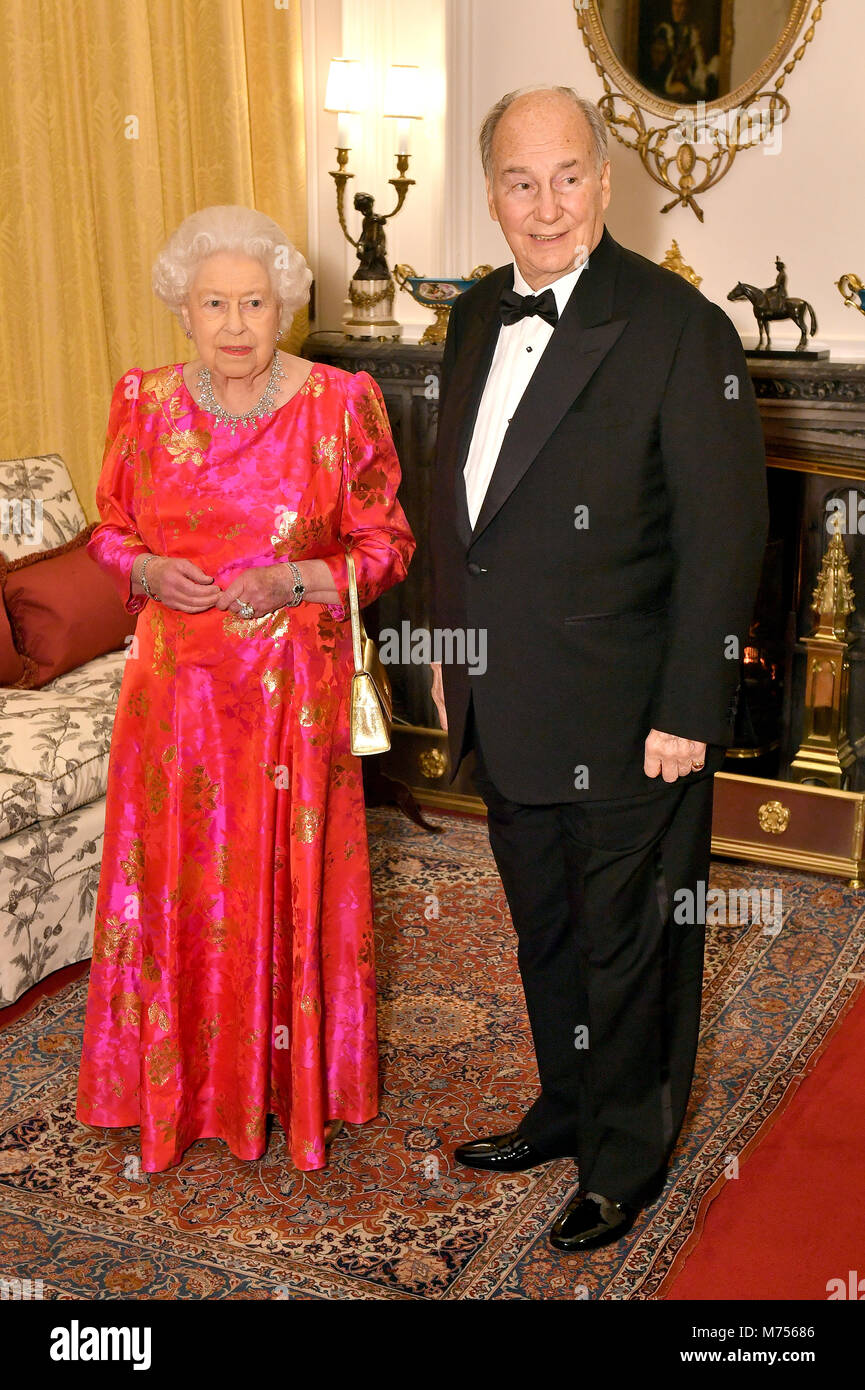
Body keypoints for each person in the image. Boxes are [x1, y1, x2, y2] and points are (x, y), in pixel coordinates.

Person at [429, 87, 768, 1252]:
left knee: (631, 944)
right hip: (507, 699)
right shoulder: (474, 316)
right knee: (547, 932)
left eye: (567, 176)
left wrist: (689, 706)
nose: (545, 205)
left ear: (605, 183)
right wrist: (445, 656)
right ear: (490, 193)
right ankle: (564, 1105)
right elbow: (454, 511)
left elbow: (725, 538)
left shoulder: (681, 328)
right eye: (520, 182)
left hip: (632, 713)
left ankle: (626, 1155)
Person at [76, 205, 415, 1173]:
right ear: (183, 311)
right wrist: (141, 572)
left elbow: (385, 545)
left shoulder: (339, 403)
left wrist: (294, 579)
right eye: (213, 302)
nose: (234, 322)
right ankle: (174, 1097)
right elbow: (108, 527)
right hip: (172, 706)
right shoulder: (141, 403)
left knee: (278, 893)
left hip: (286, 703)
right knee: (180, 894)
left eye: (254, 302)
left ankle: (282, 1092)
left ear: (285, 307)